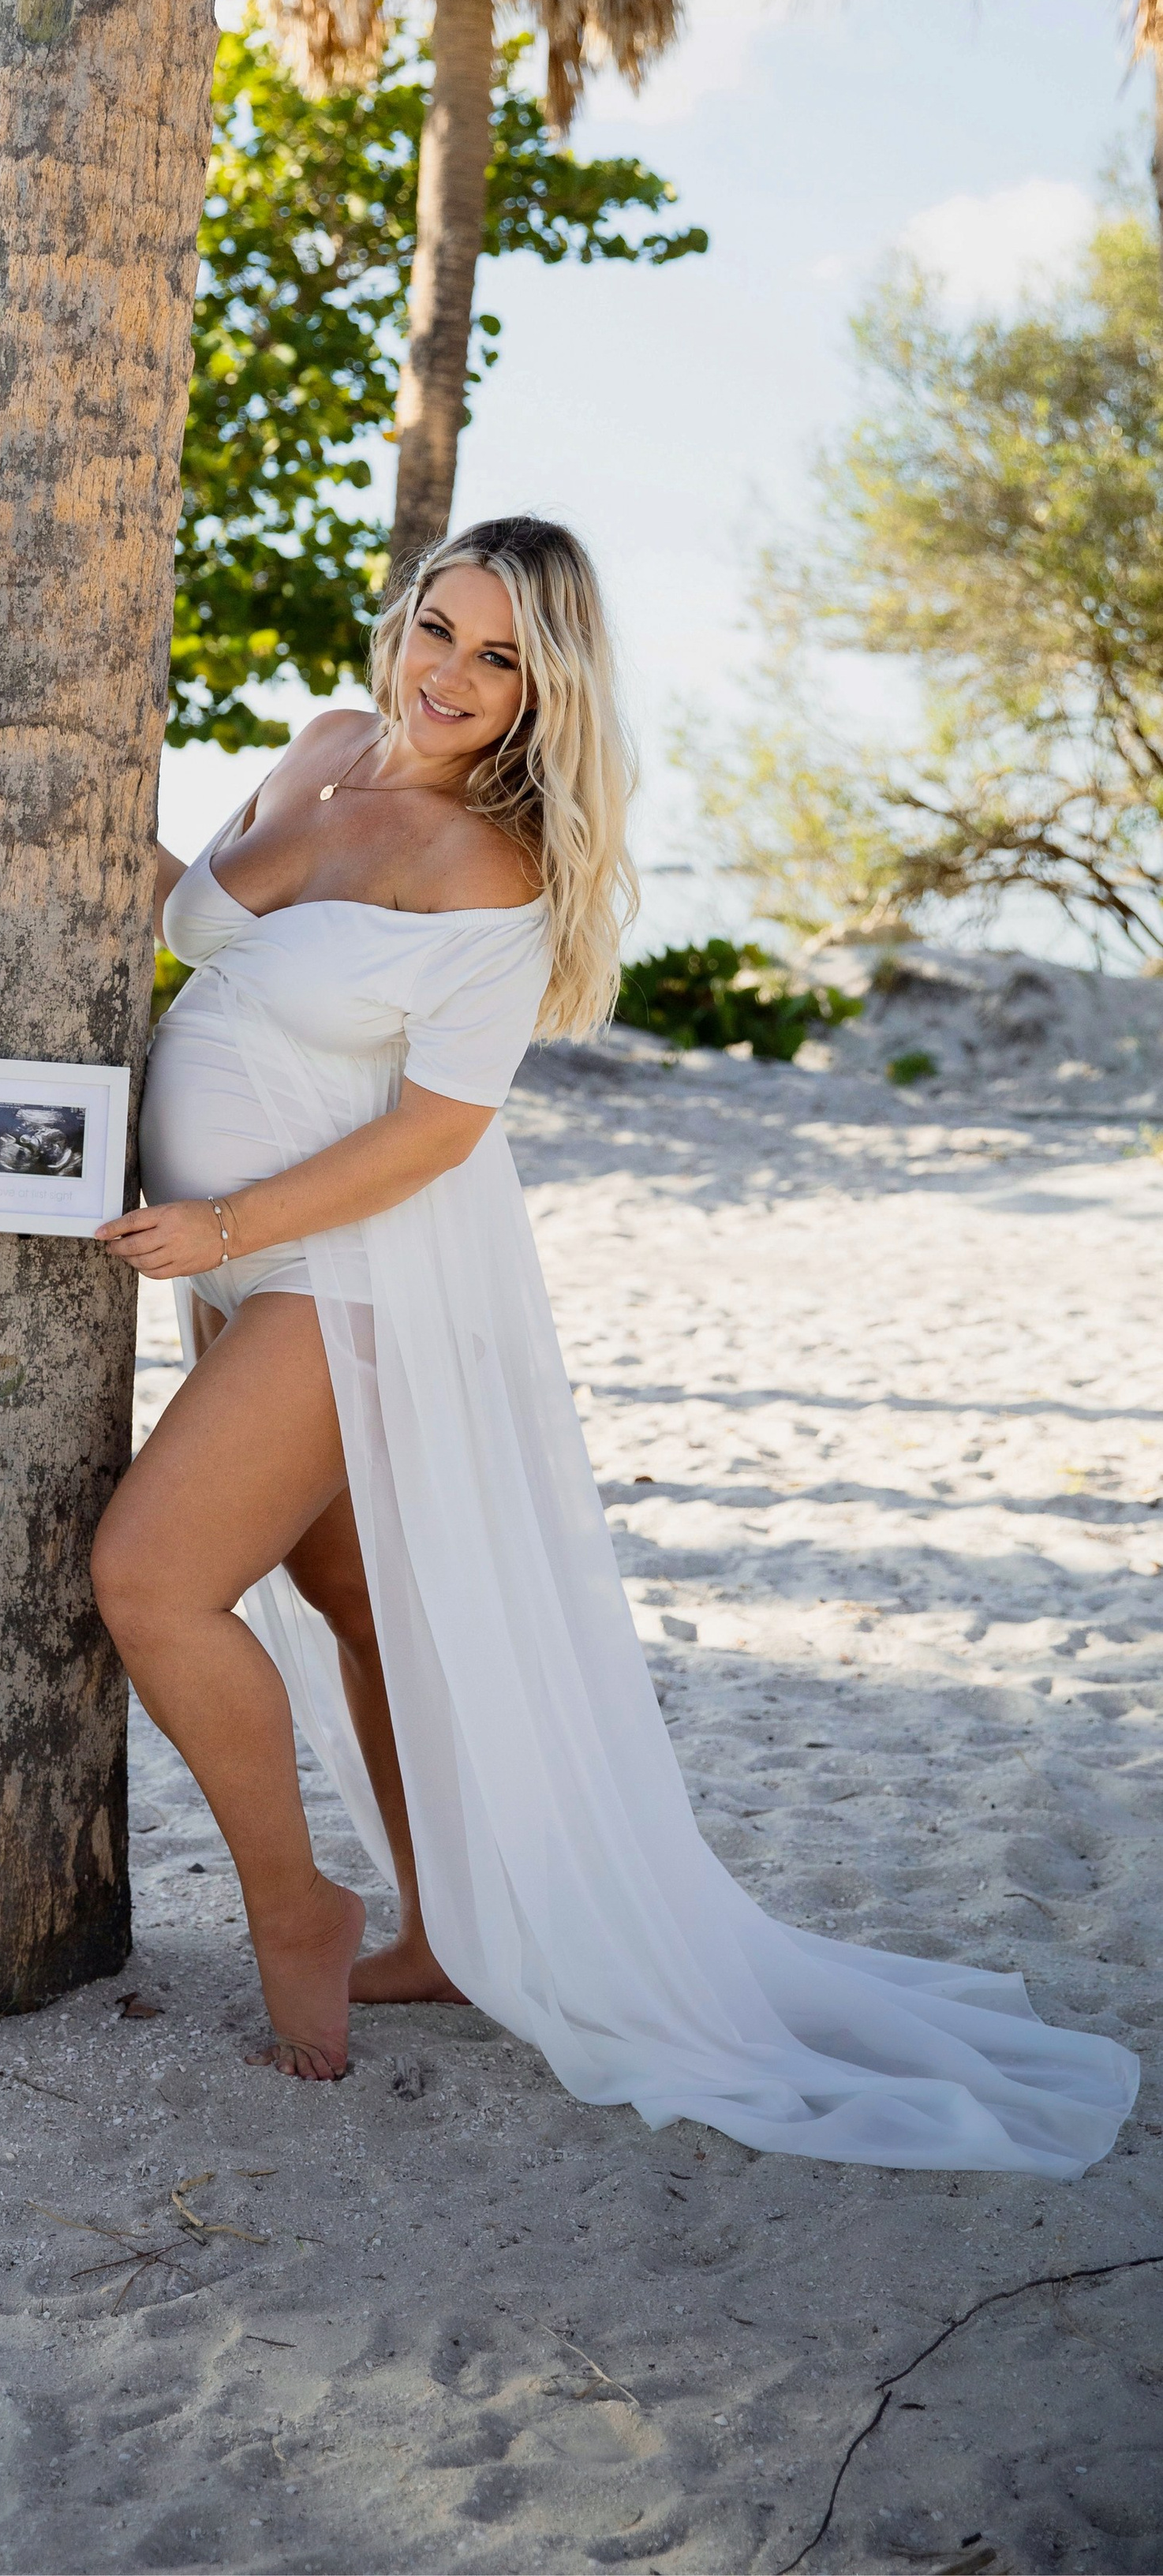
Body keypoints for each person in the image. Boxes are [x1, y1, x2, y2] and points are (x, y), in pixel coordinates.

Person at [91, 517, 1137, 2178]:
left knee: (150, 1579)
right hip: (230, 1263)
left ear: (542, 691)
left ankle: (296, 1904)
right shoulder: (319, 752)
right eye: (439, 628)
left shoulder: (492, 875)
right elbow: (205, 928)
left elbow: (437, 1130)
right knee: (352, 1593)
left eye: (497, 658)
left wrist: (222, 1229)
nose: (448, 675)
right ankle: (440, 1929)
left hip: (336, 1265)